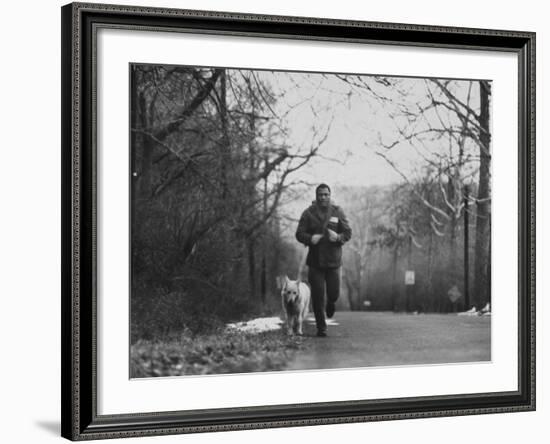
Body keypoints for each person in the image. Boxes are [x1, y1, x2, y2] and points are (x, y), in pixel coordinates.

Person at [296, 184, 352, 337]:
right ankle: (321, 328)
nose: (323, 197)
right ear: (316, 196)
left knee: (333, 293)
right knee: (318, 296)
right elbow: (299, 234)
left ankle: (331, 302)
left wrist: (338, 237)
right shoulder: (308, 213)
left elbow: (348, 232)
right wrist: (310, 238)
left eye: (326, 194)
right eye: (320, 194)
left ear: (330, 195)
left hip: (333, 261)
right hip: (315, 262)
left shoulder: (337, 211)